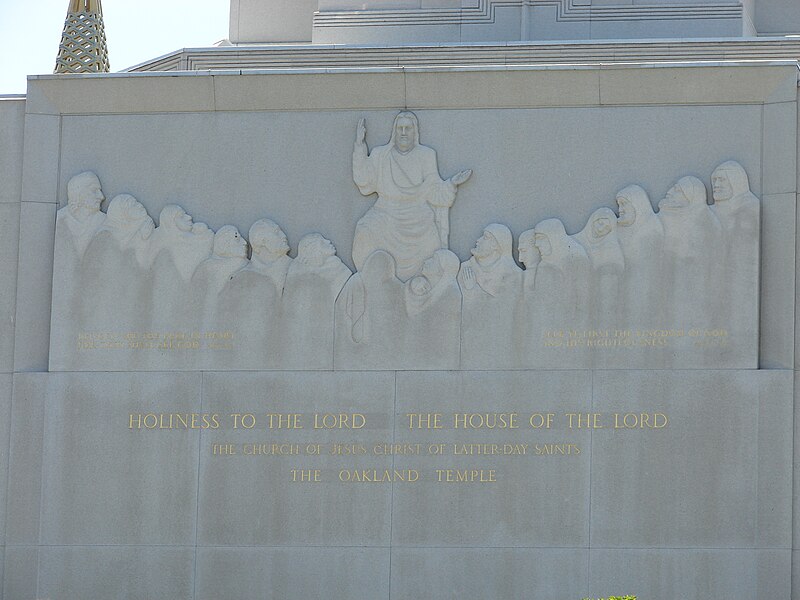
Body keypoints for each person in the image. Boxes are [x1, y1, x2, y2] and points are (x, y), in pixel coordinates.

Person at [352, 111, 472, 280]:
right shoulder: (381, 155)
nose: (403, 132)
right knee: (364, 229)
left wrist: (452, 183)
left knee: (431, 243)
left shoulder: (426, 155)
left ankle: (425, 285)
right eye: (400, 128)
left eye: (408, 128)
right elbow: (364, 181)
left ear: (415, 132)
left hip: (418, 216)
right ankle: (370, 281)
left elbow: (434, 191)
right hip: (385, 212)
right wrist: (359, 146)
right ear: (394, 131)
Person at [57, 171, 107, 258]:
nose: (101, 197)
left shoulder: (104, 221)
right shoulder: (62, 218)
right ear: (80, 194)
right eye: (94, 190)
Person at [245, 218, 292, 294]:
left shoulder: (292, 267)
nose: (284, 236)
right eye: (277, 232)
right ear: (261, 240)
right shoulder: (244, 275)